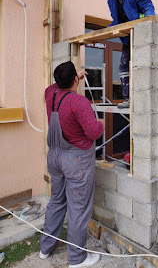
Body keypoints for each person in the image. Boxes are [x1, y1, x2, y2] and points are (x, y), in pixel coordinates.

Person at [40, 61, 105, 268]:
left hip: (55, 158)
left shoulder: (50, 95)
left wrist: (71, 76)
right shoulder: (79, 102)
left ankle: (45, 249)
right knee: (78, 209)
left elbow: (53, 85)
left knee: (56, 201)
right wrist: (102, 123)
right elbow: (93, 132)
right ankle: (78, 259)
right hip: (76, 161)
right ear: (75, 80)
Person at [99, 0, 155, 108]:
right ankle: (129, 100)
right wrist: (106, 31)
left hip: (141, 36)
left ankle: (145, 100)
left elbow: (147, 6)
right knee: (124, 67)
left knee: (142, 67)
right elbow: (117, 21)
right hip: (127, 38)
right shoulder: (111, 1)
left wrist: (149, 16)